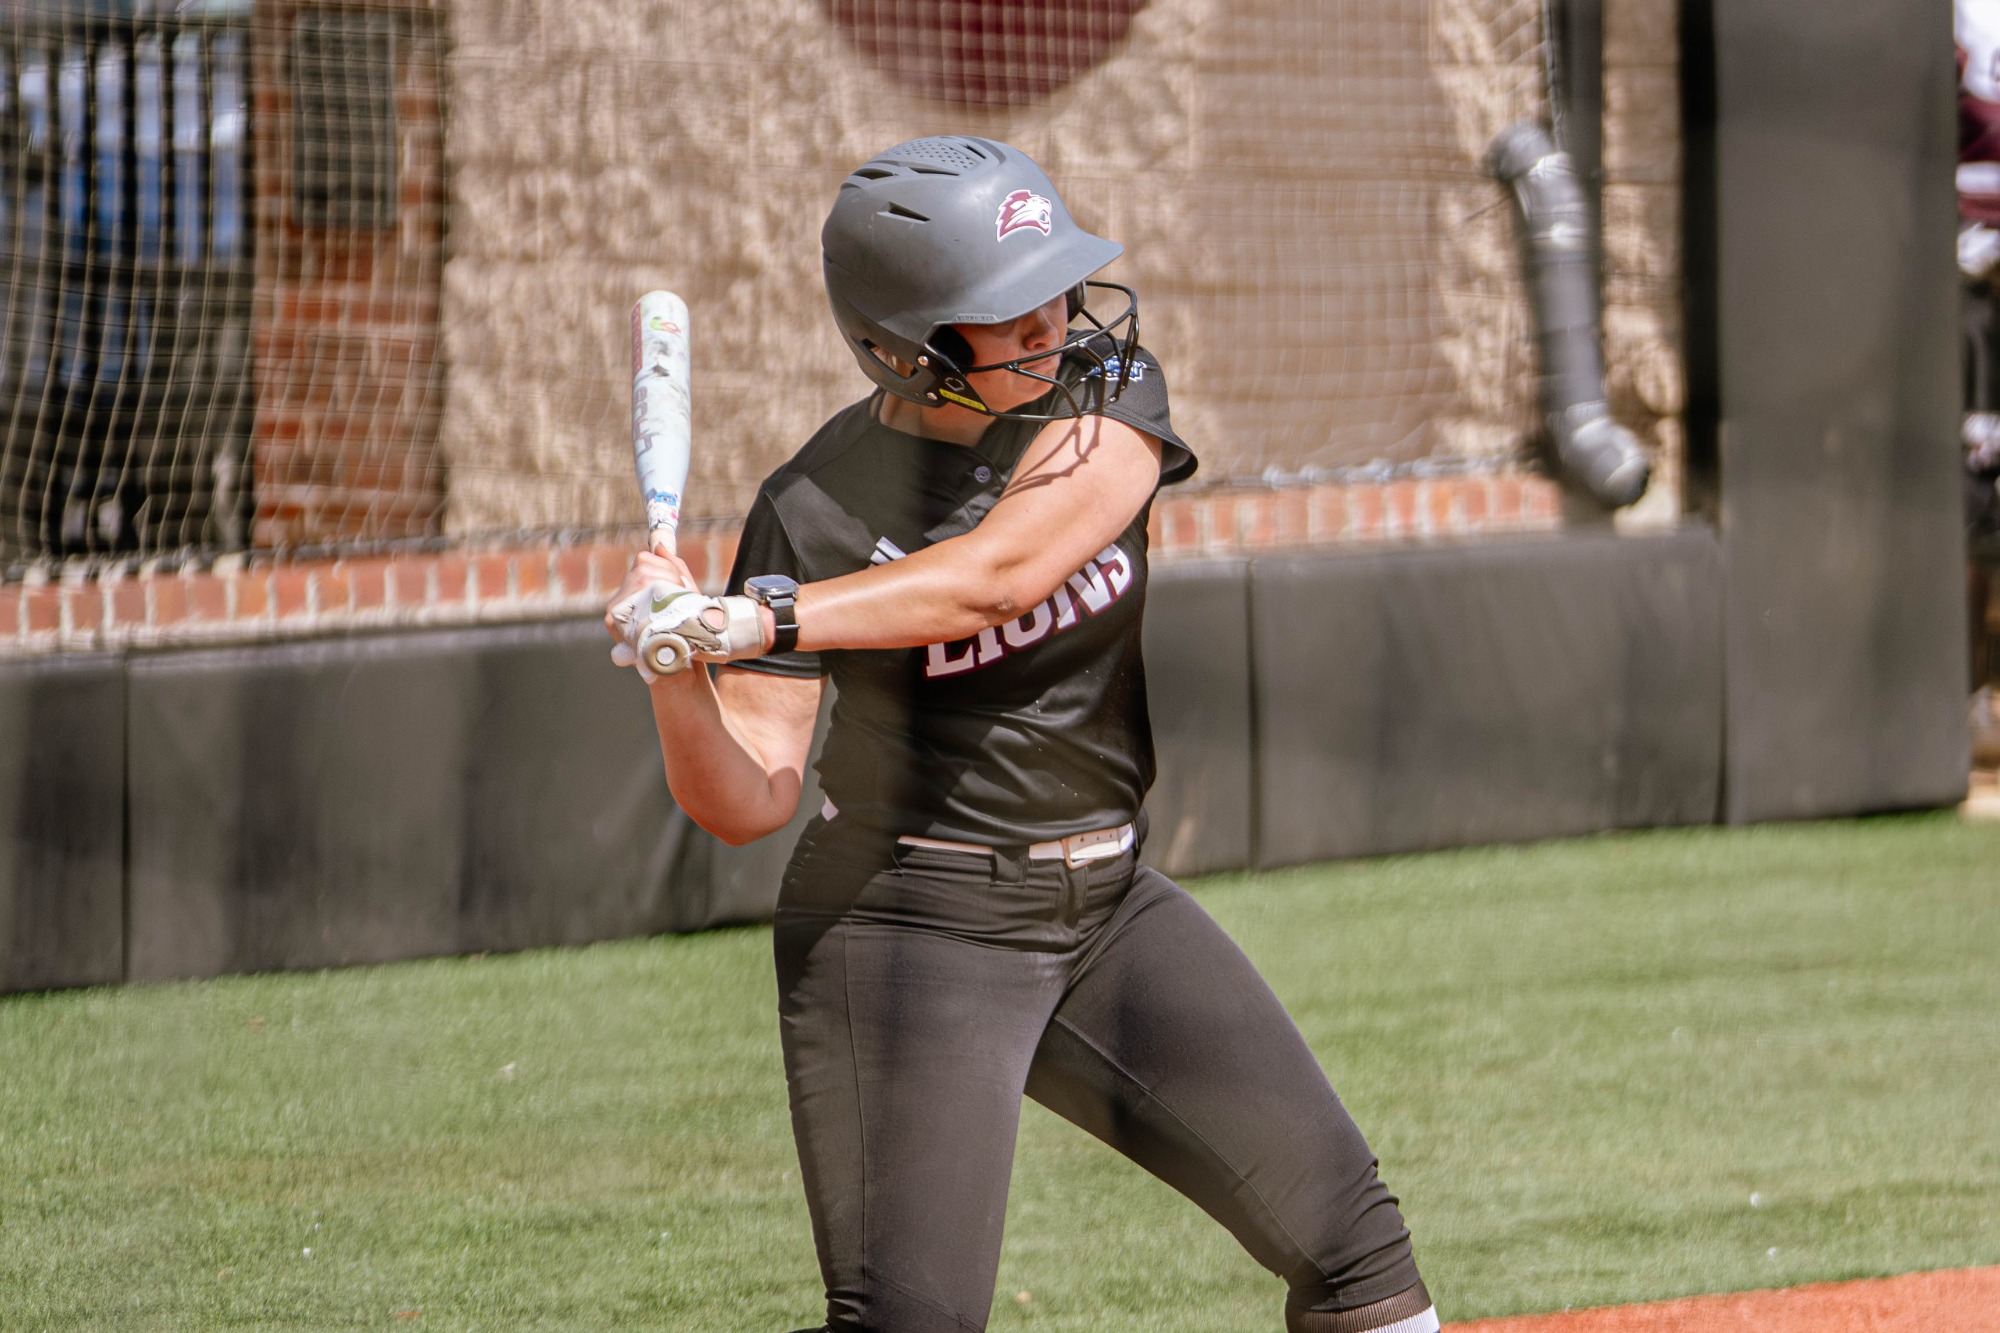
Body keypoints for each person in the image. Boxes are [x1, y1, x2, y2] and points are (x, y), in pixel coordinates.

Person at [605, 135, 1437, 1333]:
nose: (1057, 320)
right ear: (910, 349)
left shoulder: (1109, 399)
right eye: (1012, 314)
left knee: (1351, 1244)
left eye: (1055, 286)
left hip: (1106, 905)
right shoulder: (814, 507)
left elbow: (993, 574)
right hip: (907, 930)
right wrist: (676, 665)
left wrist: (753, 617)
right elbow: (747, 798)